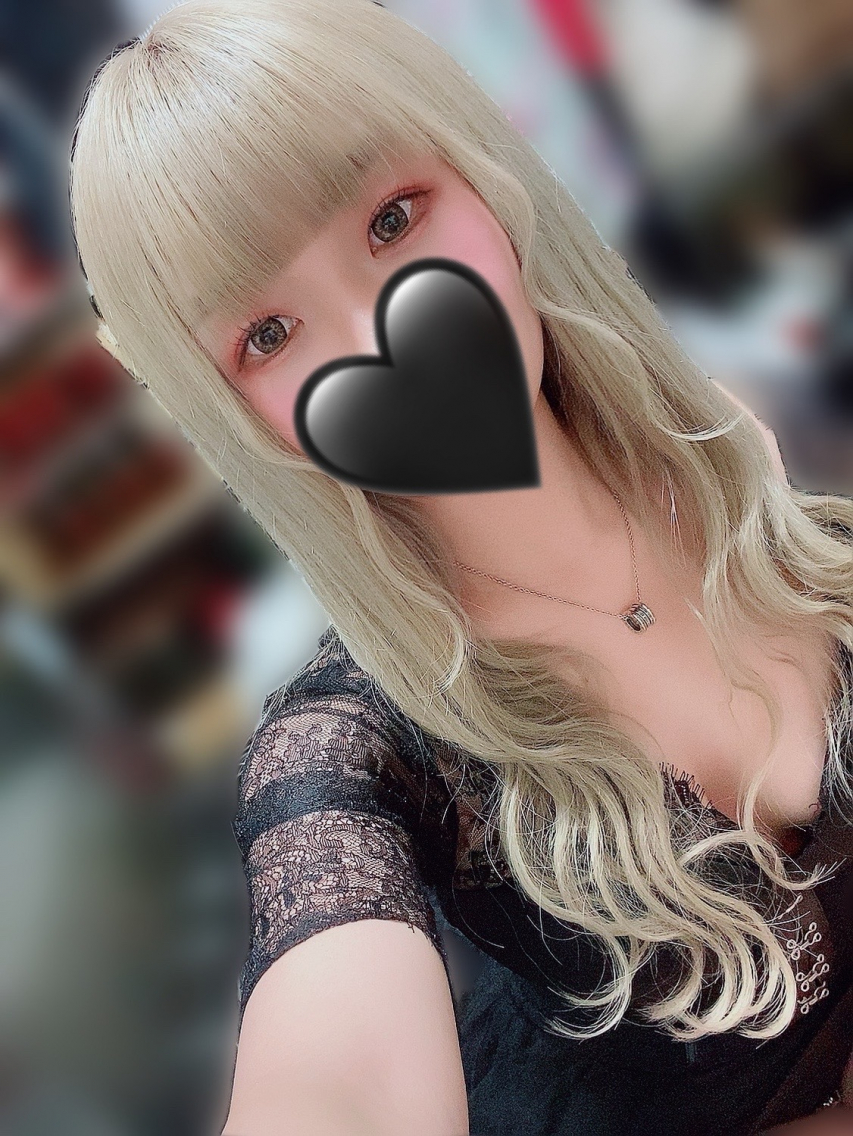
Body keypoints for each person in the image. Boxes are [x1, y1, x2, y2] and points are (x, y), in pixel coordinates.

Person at [67, 2, 853, 1132]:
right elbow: (336, 1074)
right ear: (236, 413)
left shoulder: (734, 454)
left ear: (484, 173)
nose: (381, 336)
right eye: (267, 335)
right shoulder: (355, 746)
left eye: (393, 218)